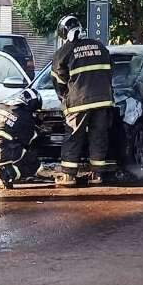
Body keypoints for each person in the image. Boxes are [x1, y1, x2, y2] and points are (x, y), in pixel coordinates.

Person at [51, 15, 115, 186]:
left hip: (79, 102)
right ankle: (97, 175)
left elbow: (58, 80)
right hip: (103, 101)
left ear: (64, 33)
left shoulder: (64, 52)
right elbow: (109, 72)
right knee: (98, 136)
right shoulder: (100, 46)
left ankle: (69, 176)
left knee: (73, 136)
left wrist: (65, 98)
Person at [0, 89, 43, 189]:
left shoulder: (1, 108)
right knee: (32, 162)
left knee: (5, 143)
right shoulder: (25, 117)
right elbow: (27, 142)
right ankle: (6, 174)